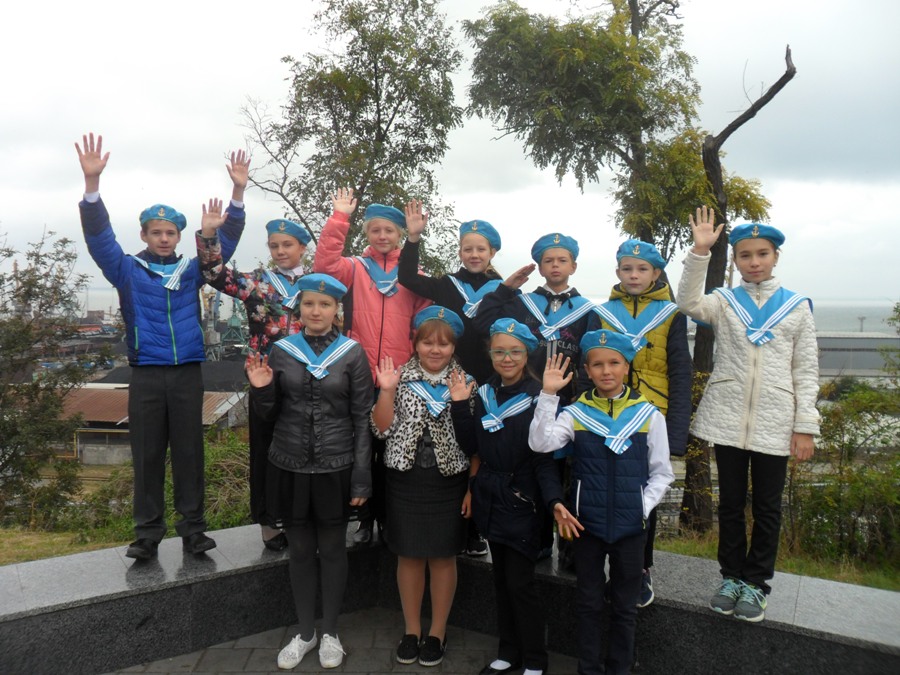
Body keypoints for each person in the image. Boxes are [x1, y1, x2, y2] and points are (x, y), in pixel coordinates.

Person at [75, 132, 247, 560]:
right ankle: (147, 534)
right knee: (147, 455)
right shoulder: (126, 269)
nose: (164, 238)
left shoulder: (192, 270)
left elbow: (222, 249)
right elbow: (99, 239)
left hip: (187, 372)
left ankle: (194, 531)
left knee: (189, 453)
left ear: (180, 236)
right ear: (144, 234)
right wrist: (92, 186)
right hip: (147, 374)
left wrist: (237, 195)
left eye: (171, 232)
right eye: (157, 232)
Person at [678, 207, 819, 623]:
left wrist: (805, 426)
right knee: (730, 504)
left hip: (776, 419)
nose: (754, 262)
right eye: (745, 255)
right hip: (728, 417)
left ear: (775, 257)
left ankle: (756, 584)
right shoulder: (724, 302)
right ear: (735, 260)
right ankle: (731, 578)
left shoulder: (797, 307)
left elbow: (806, 369)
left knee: (768, 507)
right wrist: (700, 252)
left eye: (762, 254)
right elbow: (687, 302)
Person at [246, 273, 372, 670]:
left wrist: (362, 476)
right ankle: (305, 633)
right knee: (300, 551)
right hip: (290, 465)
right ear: (299, 309)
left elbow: (362, 418)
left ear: (337, 311)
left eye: (325, 304)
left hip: (337, 465)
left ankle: (330, 632)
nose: (316, 311)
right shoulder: (281, 351)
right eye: (309, 304)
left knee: (333, 549)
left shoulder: (352, 354)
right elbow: (268, 415)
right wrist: (261, 389)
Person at [529, 330, 674, 675]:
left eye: (614, 363)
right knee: (589, 604)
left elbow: (662, 473)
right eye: (597, 364)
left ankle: (619, 668)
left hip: (631, 530)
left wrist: (640, 506)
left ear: (626, 367)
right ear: (587, 371)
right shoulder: (576, 413)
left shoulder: (648, 415)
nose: (606, 371)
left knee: (625, 607)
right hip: (587, 528)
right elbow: (540, 444)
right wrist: (548, 395)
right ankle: (589, 669)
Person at [450, 318, 578, 675]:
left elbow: (545, 460)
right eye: (499, 351)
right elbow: (472, 446)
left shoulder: (540, 396)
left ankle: (535, 660)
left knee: (521, 584)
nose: (507, 358)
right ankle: (508, 653)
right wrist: (459, 406)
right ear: (490, 354)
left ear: (527, 354)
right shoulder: (485, 393)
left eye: (515, 352)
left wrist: (553, 501)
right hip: (491, 497)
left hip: (523, 500)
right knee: (501, 581)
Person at [314, 189, 431, 545]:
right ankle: (364, 519)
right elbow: (324, 267)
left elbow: (424, 322)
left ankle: (390, 518)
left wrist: (414, 358)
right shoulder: (354, 268)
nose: (382, 236)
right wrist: (339, 219)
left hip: (399, 374)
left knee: (396, 449)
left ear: (399, 235)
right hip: (360, 371)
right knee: (361, 448)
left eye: (389, 230)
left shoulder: (413, 274)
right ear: (367, 233)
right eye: (375, 230)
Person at [474, 232, 594, 565]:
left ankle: (569, 548)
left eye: (562, 260)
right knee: (534, 470)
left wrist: (584, 401)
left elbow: (590, 358)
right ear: (539, 267)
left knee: (565, 475)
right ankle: (538, 540)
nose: (555, 266)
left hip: (568, 404)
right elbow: (482, 324)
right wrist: (505, 288)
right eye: (548, 261)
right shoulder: (522, 303)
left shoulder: (587, 311)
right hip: (525, 400)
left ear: (573, 266)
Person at [585, 239, 692, 606]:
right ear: (617, 272)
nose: (634, 275)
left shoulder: (672, 315)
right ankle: (596, 564)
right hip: (603, 415)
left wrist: (676, 434)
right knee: (601, 489)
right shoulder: (602, 313)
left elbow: (680, 372)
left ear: (656, 273)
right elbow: (587, 370)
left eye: (642, 269)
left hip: (649, 416)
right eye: (627, 269)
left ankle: (640, 569)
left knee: (645, 496)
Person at [198, 217, 313, 551]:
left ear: (303, 248)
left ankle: (305, 518)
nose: (280, 251)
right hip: (266, 380)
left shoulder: (316, 283)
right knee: (265, 450)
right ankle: (268, 524)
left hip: (310, 379)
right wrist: (209, 235)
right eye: (274, 246)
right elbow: (213, 274)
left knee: (308, 450)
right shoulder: (257, 283)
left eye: (287, 245)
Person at [371, 306, 474, 668]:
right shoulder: (397, 377)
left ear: (453, 347)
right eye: (428, 342)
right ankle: (412, 630)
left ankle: (438, 632)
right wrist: (386, 391)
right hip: (406, 478)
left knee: (443, 557)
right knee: (409, 555)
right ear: (415, 343)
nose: (435, 350)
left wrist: (471, 488)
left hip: (449, 480)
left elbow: (476, 442)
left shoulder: (467, 382)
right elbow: (380, 429)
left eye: (443, 344)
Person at [398, 203, 504, 556]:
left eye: (481, 249)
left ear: (492, 253)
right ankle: (450, 522)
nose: (474, 254)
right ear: (459, 252)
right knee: (450, 449)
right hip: (445, 380)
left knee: (478, 452)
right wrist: (413, 238)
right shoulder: (447, 285)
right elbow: (407, 278)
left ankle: (475, 528)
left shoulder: (503, 290)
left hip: (486, 381)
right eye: (467, 248)